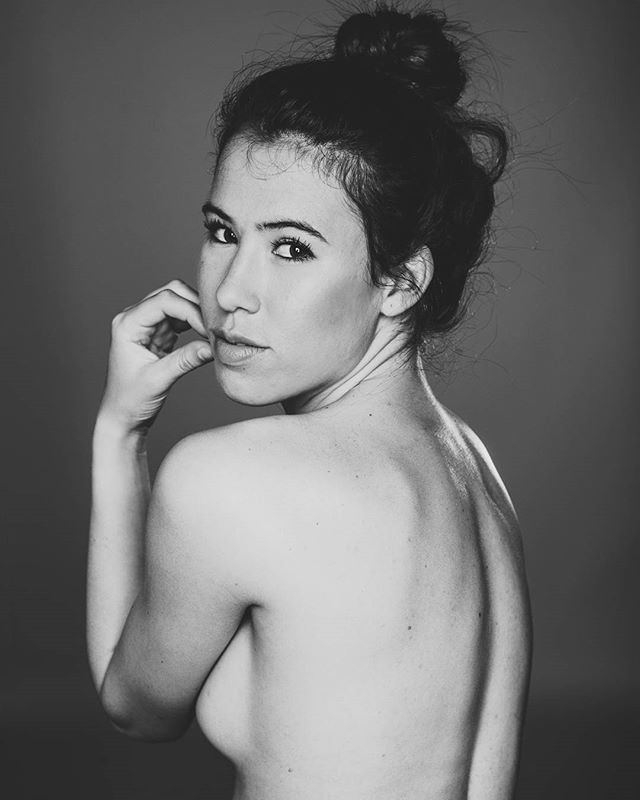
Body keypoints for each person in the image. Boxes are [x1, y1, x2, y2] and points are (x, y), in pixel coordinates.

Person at [87, 3, 532, 798]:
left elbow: (135, 708)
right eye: (224, 232)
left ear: (401, 281)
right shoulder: (476, 475)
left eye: (291, 247)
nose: (233, 291)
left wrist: (120, 431)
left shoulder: (234, 480)